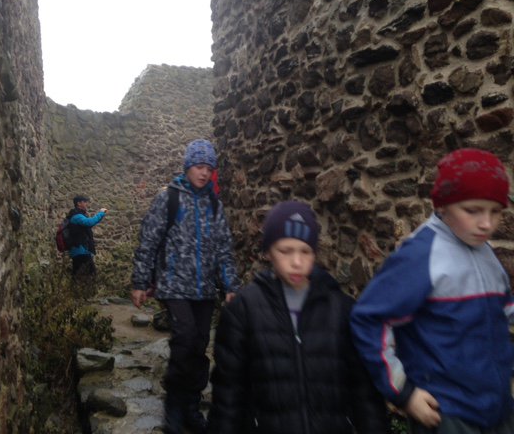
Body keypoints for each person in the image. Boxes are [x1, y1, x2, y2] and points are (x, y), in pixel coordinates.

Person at [350, 148, 514, 434]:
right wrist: (404, 392)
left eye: (496, 211)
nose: (487, 223)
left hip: (498, 407)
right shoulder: (420, 254)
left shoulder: (485, 251)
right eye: (472, 210)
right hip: (447, 414)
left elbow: (505, 309)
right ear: (443, 205)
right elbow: (369, 319)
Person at [207, 200, 389, 434]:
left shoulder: (341, 309)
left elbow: (365, 394)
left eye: (305, 251)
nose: (296, 262)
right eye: (285, 251)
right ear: (269, 252)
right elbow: (228, 398)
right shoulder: (243, 311)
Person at [131, 139, 241, 434]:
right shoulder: (169, 199)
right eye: (199, 166)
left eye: (209, 168)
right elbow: (149, 241)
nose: (204, 173)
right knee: (185, 339)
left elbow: (224, 249)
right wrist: (140, 282)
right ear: (188, 167)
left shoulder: (214, 205)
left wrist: (230, 285)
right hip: (173, 285)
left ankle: (192, 405)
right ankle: (174, 408)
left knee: (200, 345)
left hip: (204, 289)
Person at [66, 195, 107, 283]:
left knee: (78, 275)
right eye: (84, 202)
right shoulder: (77, 216)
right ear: (78, 203)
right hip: (80, 251)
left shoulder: (77, 215)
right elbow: (89, 222)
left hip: (79, 251)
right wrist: (101, 213)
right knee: (91, 275)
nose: (86, 204)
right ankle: (83, 290)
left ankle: (76, 289)